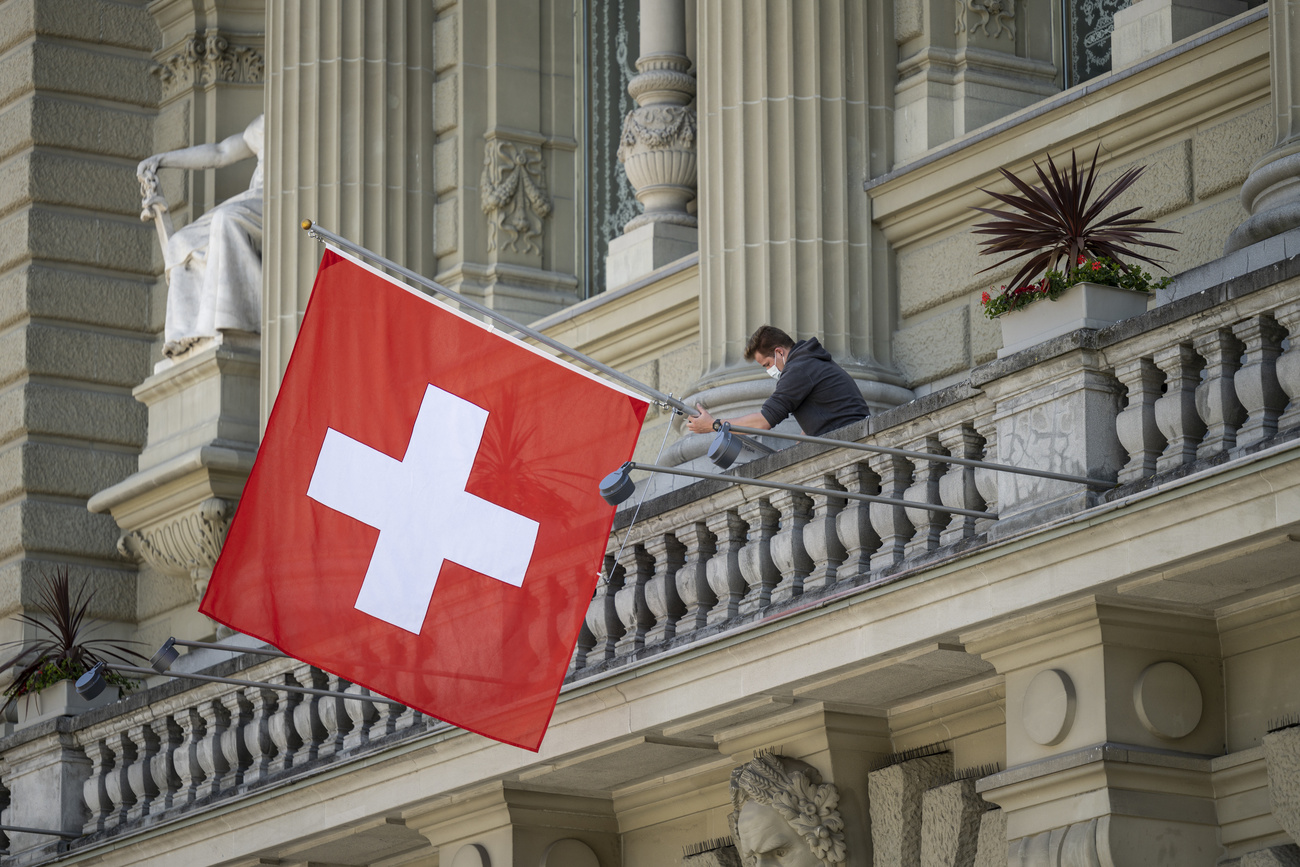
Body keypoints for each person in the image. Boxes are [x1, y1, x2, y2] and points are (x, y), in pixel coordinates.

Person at [137, 114, 264, 358]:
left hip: (285, 199)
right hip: (255, 201)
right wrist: (161, 160)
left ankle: (224, 322)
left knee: (225, 220)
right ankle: (185, 334)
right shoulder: (265, 123)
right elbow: (221, 152)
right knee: (180, 242)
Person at [687, 325, 869, 438]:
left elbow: (763, 422)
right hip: (853, 435)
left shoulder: (798, 369)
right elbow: (823, 417)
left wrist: (713, 425)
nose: (769, 371)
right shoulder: (810, 361)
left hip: (850, 441)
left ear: (779, 352)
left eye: (767, 364)